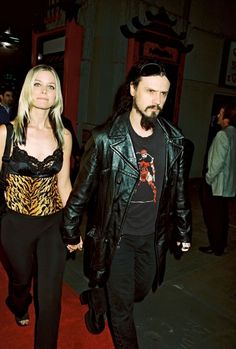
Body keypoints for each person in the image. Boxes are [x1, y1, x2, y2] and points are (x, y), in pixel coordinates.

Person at [62, 58, 192, 349]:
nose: (157, 101)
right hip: (115, 237)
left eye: (163, 94)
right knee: (122, 310)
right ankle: (108, 303)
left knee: (141, 290)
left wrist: (183, 229)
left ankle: (98, 297)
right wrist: (70, 229)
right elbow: (81, 191)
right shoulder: (106, 140)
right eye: (150, 91)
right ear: (133, 89)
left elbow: (179, 190)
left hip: (152, 236)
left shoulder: (174, 140)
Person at [0, 64, 82, 348]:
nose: (44, 91)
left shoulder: (64, 136)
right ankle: (19, 303)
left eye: (51, 86)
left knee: (50, 296)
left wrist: (72, 228)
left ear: (56, 95)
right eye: (38, 84)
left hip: (52, 223)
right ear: (28, 89)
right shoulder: (5, 133)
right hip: (15, 223)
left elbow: (65, 185)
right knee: (20, 280)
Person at [199, 102, 236, 256]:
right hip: (227, 184)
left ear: (226, 118)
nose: (218, 116)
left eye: (221, 114)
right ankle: (220, 245)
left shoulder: (222, 135)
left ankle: (216, 247)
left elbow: (217, 163)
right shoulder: (233, 132)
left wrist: (208, 178)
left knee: (214, 218)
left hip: (216, 184)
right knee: (222, 217)